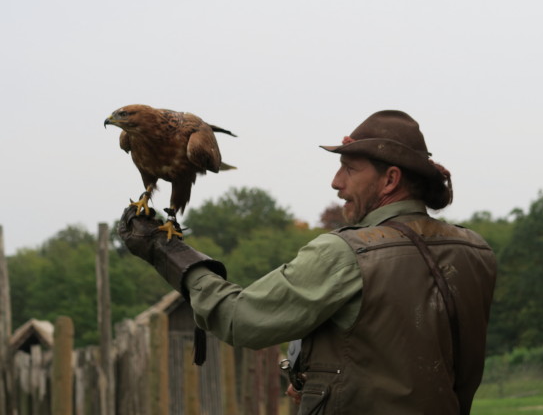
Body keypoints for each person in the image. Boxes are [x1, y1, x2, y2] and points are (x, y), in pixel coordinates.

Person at [119, 110, 497, 415]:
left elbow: (239, 319)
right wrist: (318, 378)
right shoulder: (475, 252)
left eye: (350, 169)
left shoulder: (348, 253)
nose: (335, 182)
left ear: (390, 180)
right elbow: (409, 357)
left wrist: (168, 254)